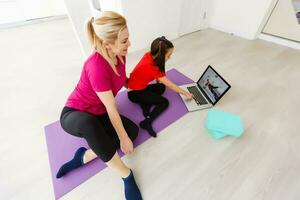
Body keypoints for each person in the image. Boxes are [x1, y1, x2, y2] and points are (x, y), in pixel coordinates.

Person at [56, 11, 142, 200]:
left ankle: (83, 157)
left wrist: (135, 82)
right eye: (124, 41)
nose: (129, 44)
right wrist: (122, 137)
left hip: (98, 111)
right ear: (107, 44)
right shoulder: (96, 66)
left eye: (128, 39)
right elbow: (112, 108)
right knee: (96, 127)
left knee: (132, 132)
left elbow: (120, 80)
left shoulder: (119, 55)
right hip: (76, 113)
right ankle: (126, 175)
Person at [127, 36, 193, 137]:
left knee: (161, 87)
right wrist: (186, 94)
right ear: (160, 55)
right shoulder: (152, 67)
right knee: (164, 102)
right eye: (168, 55)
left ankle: (145, 104)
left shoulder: (149, 55)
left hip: (139, 88)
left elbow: (159, 75)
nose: (169, 58)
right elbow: (170, 85)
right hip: (134, 94)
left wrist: (159, 79)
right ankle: (147, 122)